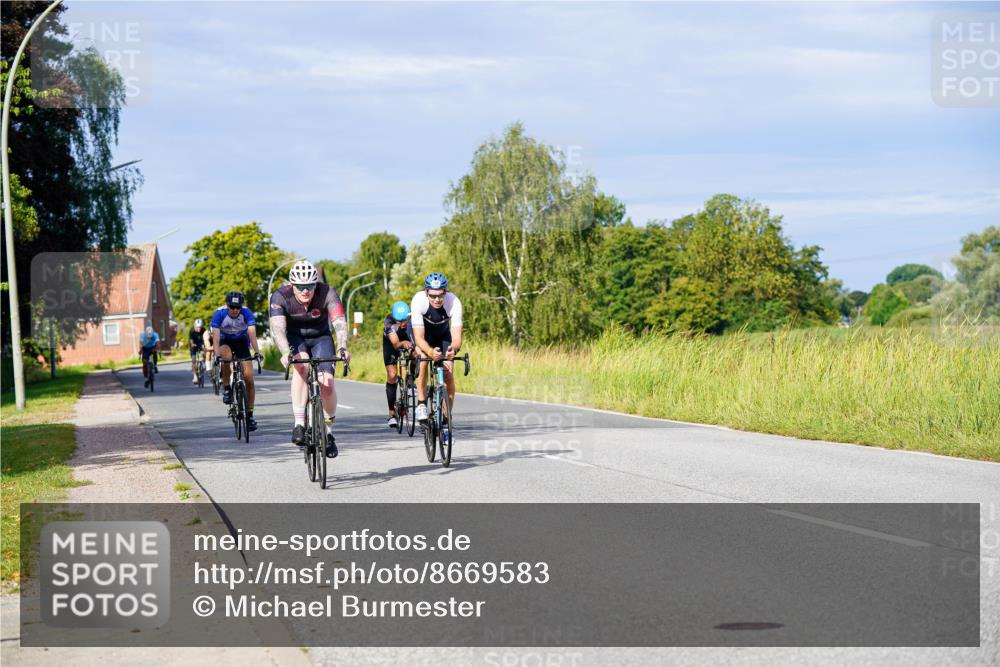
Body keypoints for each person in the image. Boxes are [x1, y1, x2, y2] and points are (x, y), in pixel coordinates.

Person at [269, 260, 350, 458]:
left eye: (309, 286)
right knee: (302, 367)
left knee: (327, 383)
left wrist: (342, 347)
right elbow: (278, 329)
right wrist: (284, 352)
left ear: (316, 284)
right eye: (300, 287)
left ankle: (328, 433)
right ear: (292, 285)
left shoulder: (327, 293)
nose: (305, 291)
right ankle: (299, 424)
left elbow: (339, 323)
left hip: (321, 338)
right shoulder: (280, 296)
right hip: (295, 339)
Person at [410, 273, 463, 425]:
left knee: (448, 375)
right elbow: (419, 337)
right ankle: (421, 403)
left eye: (440, 295)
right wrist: (429, 352)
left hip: (443, 335)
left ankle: (446, 416)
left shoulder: (454, 302)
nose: (437, 299)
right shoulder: (418, 300)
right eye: (433, 296)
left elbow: (456, 337)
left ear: (445, 291)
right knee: (423, 360)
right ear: (426, 292)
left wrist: (453, 350)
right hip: (423, 335)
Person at [211, 291, 260, 431]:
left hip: (241, 341)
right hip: (225, 340)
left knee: (249, 378)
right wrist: (217, 355)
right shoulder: (219, 313)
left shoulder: (246, 313)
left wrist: (257, 352)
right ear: (227, 306)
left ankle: (250, 416)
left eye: (237, 307)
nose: (235, 310)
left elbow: (252, 334)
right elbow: (216, 338)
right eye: (232, 307)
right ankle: (227, 388)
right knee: (226, 357)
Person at [383, 300, 414, 429]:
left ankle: (411, 379)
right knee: (392, 375)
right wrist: (404, 344)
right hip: (391, 343)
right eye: (399, 321)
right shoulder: (389, 322)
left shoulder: (413, 318)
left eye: (404, 321)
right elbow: (396, 344)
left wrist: (412, 347)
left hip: (407, 337)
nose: (402, 324)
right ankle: (391, 413)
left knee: (416, 353)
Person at [189, 319, 208, 385]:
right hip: (194, 345)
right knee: (194, 360)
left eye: (200, 327)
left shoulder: (204, 330)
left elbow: (206, 338)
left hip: (201, 344)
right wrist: (192, 344)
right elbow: (191, 339)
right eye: (197, 327)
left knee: (204, 351)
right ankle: (195, 376)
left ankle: (204, 362)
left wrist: (205, 345)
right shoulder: (192, 330)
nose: (199, 329)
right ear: (195, 326)